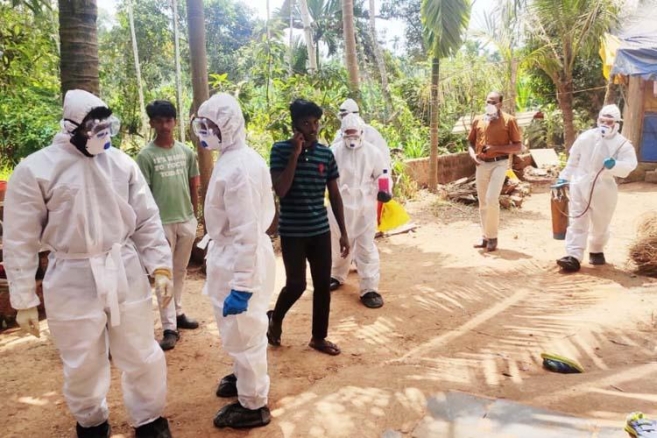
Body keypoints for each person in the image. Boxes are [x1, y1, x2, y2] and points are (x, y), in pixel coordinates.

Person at [3, 89, 174, 438]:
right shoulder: (37, 169)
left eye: (106, 128)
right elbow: (20, 237)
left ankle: (149, 418)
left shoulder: (121, 164)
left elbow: (146, 219)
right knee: (82, 359)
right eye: (94, 129)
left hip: (122, 267)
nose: (102, 136)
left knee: (140, 348)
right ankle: (91, 421)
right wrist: (24, 299)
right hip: (72, 275)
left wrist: (160, 266)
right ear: (71, 127)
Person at [192, 93, 275, 429]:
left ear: (227, 126)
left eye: (210, 126)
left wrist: (242, 285)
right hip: (230, 254)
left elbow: (246, 231)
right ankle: (243, 377)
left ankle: (254, 404)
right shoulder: (233, 158)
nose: (204, 132)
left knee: (246, 331)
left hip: (241, 257)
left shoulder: (240, 168)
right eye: (202, 125)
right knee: (236, 330)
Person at [267, 99, 350, 356]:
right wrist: (295, 153)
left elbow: (334, 195)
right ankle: (275, 318)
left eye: (316, 122)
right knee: (296, 284)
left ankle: (318, 337)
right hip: (293, 231)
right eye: (306, 123)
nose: (313, 128)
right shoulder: (280, 150)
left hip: (319, 230)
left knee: (323, 285)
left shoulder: (326, 154)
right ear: (295, 125)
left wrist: (343, 232)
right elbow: (281, 189)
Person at [136, 100, 200, 351]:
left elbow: (194, 184)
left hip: (185, 220)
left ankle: (178, 312)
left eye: (168, 120)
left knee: (180, 271)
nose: (164, 126)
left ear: (175, 121)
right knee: (164, 274)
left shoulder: (186, 152)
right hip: (160, 224)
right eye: (159, 121)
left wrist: (194, 216)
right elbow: (142, 195)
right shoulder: (146, 156)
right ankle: (169, 328)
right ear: (152, 123)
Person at [556, 104, 637, 272]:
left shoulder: (622, 144)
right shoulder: (585, 137)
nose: (605, 125)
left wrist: (615, 165)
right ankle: (573, 255)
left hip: (604, 188)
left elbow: (630, 165)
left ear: (617, 124)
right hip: (580, 184)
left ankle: (596, 249)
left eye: (609, 122)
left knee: (601, 222)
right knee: (577, 220)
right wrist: (564, 177)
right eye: (602, 121)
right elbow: (573, 160)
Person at [328, 114, 389, 309]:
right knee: (337, 243)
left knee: (366, 246)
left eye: (355, 135)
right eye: (348, 135)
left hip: (365, 205)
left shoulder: (373, 152)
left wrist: (384, 190)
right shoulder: (333, 152)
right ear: (342, 134)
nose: (351, 139)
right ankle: (336, 274)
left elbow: (383, 173)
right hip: (339, 205)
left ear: (362, 133)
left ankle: (369, 288)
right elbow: (325, 177)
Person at [467, 91, 522, 252]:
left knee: (491, 198)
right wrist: (472, 156)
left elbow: (517, 146)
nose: (490, 104)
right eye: (488, 101)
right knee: (483, 201)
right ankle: (485, 236)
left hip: (500, 163)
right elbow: (470, 142)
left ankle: (493, 237)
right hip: (481, 163)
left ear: (500, 104)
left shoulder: (509, 120)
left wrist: (496, 149)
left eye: (493, 102)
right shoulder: (478, 120)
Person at [334, 98, 392, 188]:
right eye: (343, 116)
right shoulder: (339, 135)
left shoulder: (371, 134)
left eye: (345, 115)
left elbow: (383, 165)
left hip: (368, 189)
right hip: (344, 189)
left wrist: (384, 188)